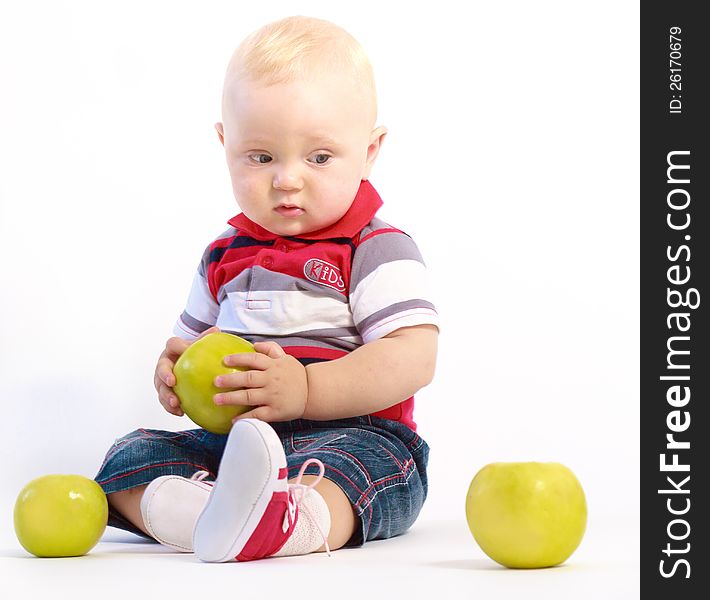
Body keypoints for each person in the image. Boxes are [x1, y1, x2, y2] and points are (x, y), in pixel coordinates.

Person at [94, 15, 439, 562]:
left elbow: (412, 357)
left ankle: (289, 521)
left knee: (362, 470)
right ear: (225, 142)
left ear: (370, 151)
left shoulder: (374, 248)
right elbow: (190, 345)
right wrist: (174, 375)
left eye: (319, 157)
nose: (287, 179)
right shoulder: (222, 255)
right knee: (128, 457)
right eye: (261, 157)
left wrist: (306, 390)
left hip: (349, 434)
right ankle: (204, 518)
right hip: (233, 444)